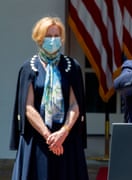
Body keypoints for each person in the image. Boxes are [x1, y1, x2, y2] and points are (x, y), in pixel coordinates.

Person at [9, 16, 89, 180]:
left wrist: (62, 133)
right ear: (39, 38)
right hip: (38, 140)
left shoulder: (71, 66)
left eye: (56, 36)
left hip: (66, 140)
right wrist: (49, 136)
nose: (53, 40)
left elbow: (75, 104)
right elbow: (28, 107)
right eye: (48, 36)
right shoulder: (28, 68)